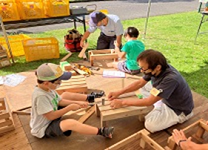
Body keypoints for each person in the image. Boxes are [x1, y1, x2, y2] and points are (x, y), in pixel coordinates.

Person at [108, 49, 194, 133]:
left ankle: (159, 106)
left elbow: (149, 102)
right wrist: (119, 92)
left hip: (177, 109)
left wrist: (122, 102)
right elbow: (139, 83)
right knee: (144, 87)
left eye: (143, 69)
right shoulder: (155, 69)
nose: (141, 71)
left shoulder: (171, 79)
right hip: (166, 97)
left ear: (158, 67)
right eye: (140, 67)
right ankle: (158, 103)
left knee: (150, 125)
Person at [30, 63, 114, 138]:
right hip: (45, 127)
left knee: (66, 95)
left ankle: (90, 97)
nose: (60, 83)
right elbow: (51, 116)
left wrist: (77, 103)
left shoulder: (48, 88)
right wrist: (69, 107)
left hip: (51, 114)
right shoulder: (40, 96)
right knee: (70, 123)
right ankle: (102, 131)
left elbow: (59, 101)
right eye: (58, 82)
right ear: (46, 83)